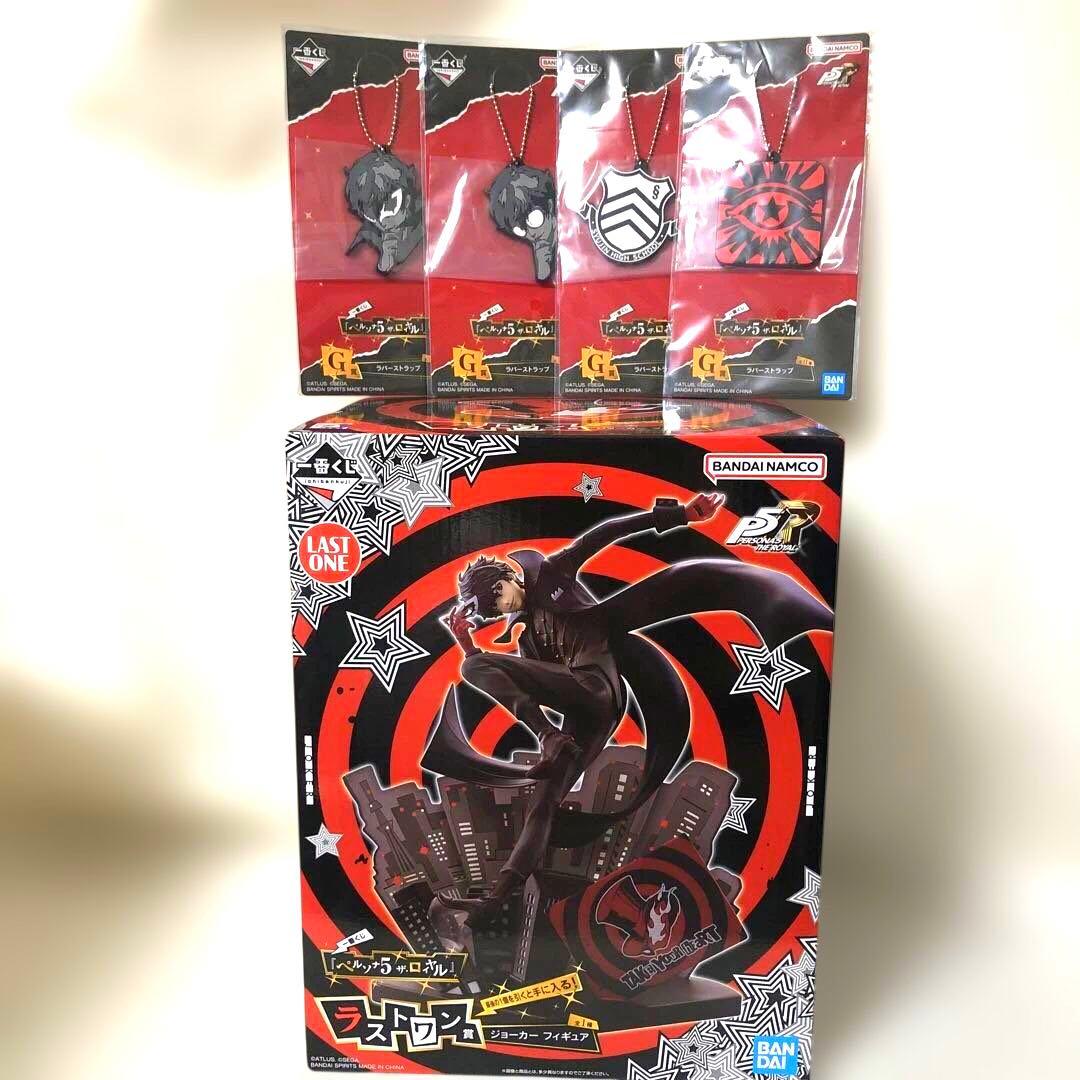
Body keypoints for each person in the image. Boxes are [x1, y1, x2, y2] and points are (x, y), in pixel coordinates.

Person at [429, 494, 831, 926]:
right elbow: (528, 684)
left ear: (510, 576)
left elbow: (605, 532)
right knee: (542, 802)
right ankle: (495, 900)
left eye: (499, 594)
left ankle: (548, 738)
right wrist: (468, 643)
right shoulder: (529, 640)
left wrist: (679, 515)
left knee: (475, 666)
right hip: (585, 717)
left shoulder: (552, 574)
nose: (502, 605)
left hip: (597, 688)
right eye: (493, 608)